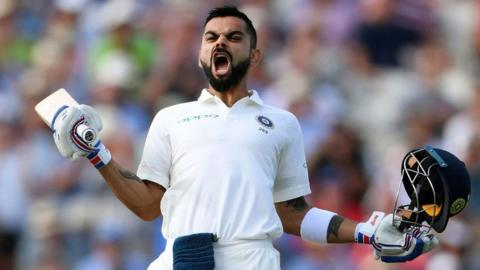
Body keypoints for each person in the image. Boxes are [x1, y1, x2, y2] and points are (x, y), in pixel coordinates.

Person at [51, 6, 438, 270]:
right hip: (181, 259)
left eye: (234, 37)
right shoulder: (171, 119)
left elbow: (292, 215)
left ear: (254, 56)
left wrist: (366, 232)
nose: (220, 42)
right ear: (201, 53)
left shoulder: (282, 122)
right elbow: (149, 206)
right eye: (211, 37)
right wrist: (96, 153)